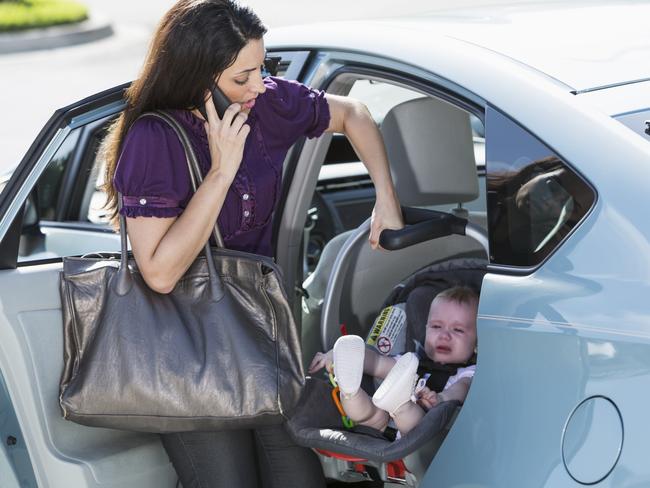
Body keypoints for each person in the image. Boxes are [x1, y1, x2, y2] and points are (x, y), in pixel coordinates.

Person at [99, 0, 404, 486]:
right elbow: (158, 272)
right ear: (197, 79)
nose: (258, 85)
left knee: (299, 478)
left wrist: (385, 200)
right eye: (242, 77)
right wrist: (221, 170)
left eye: (261, 68)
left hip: (262, 335)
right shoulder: (153, 139)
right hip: (187, 353)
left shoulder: (265, 102)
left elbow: (355, 114)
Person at [309, 286, 478, 435]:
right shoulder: (412, 361)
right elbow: (377, 363)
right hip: (382, 424)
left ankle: (400, 404)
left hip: (423, 436)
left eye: (458, 330)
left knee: (414, 418)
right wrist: (340, 356)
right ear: (426, 329)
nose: (444, 335)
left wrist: (440, 399)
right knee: (367, 413)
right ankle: (350, 391)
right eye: (436, 326)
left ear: (478, 341)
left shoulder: (469, 373)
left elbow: (460, 391)